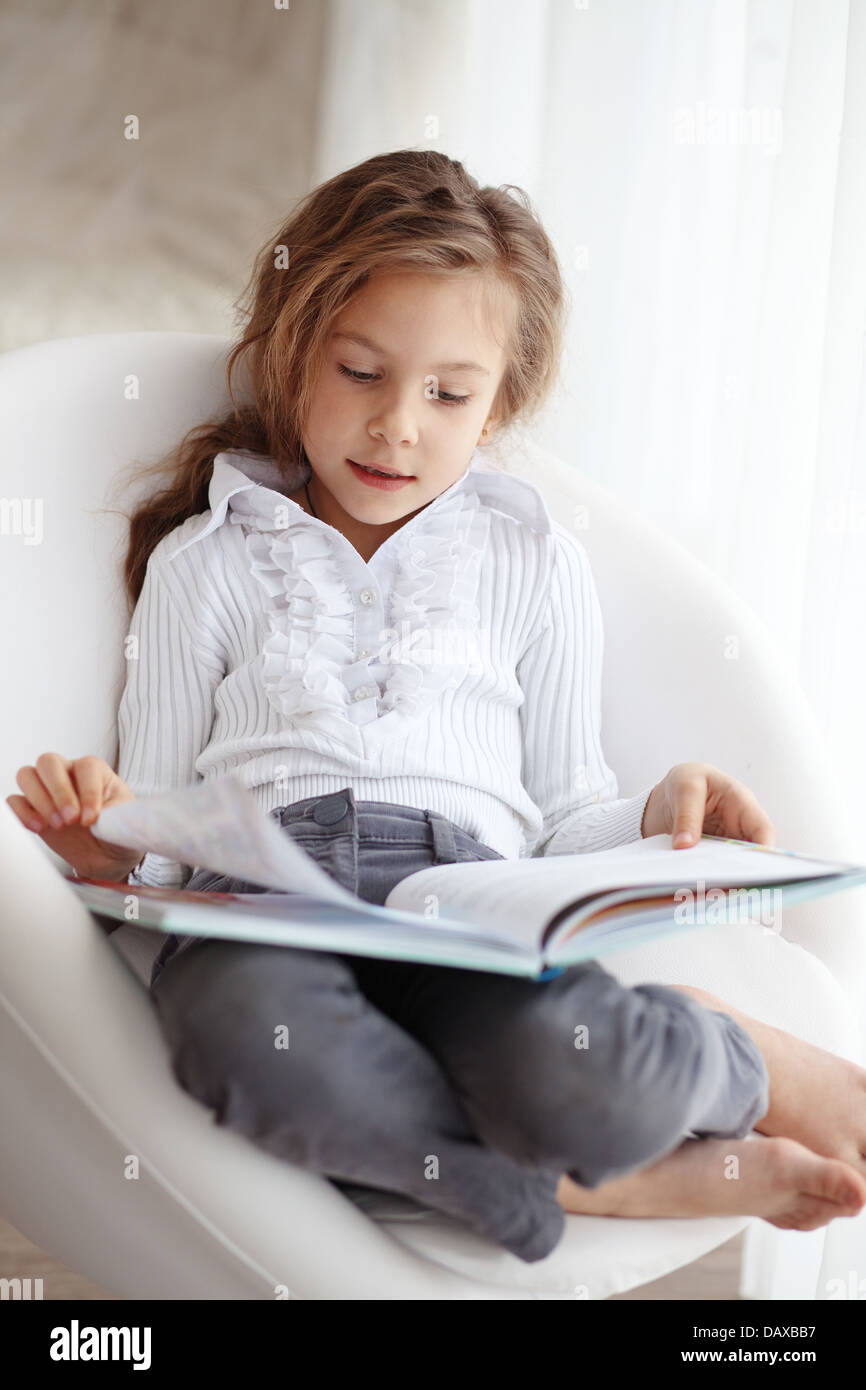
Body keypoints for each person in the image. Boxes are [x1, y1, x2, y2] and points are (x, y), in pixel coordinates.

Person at [8, 150, 866, 1263]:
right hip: (265, 902)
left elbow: (565, 813)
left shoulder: (534, 562)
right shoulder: (202, 563)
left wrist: (659, 810)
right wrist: (103, 839)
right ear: (288, 354)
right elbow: (164, 837)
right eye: (359, 371)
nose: (397, 426)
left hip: (469, 899)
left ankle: (736, 1061)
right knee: (248, 1052)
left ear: (497, 404)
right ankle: (566, 1193)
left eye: (448, 394)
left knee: (572, 1072)